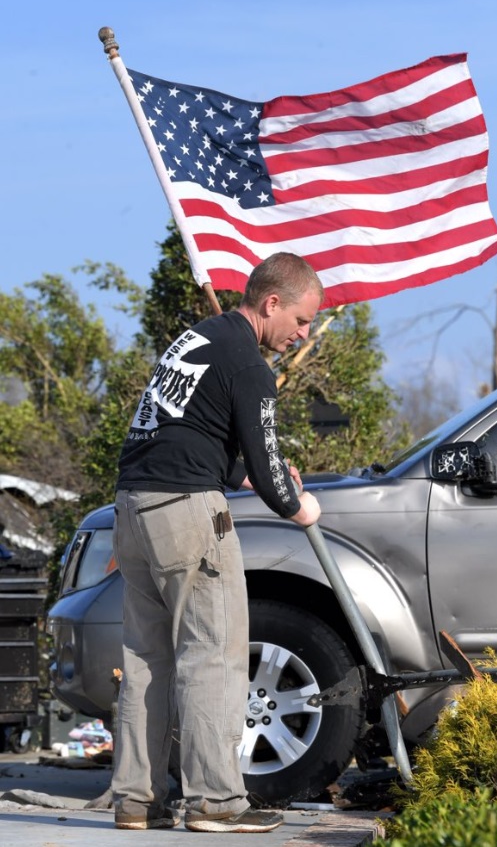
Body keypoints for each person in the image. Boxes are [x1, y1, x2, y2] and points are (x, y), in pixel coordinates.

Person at [111, 252, 323, 832]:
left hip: (131, 509)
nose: (303, 335)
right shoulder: (249, 364)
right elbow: (269, 462)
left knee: (147, 660)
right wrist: (297, 502)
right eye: (302, 321)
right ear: (272, 302)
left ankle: (136, 799)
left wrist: (248, 474)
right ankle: (214, 803)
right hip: (187, 515)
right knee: (213, 656)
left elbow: (190, 433)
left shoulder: (198, 341)